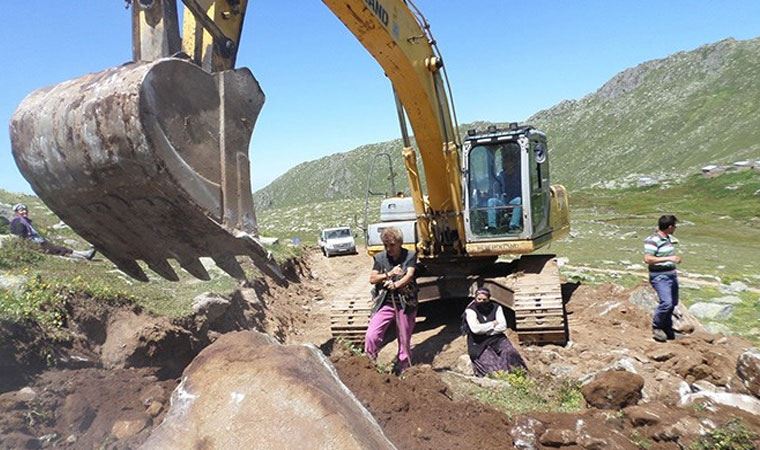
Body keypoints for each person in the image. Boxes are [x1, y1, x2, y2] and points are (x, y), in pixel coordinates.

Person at [364, 227, 418, 373]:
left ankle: (403, 367)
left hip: (405, 303)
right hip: (385, 302)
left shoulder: (410, 255)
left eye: (392, 245)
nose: (389, 248)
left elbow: (409, 275)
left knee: (404, 337)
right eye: (386, 245)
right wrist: (388, 274)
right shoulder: (381, 258)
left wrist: (396, 284)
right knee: (372, 335)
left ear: (400, 243)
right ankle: (369, 363)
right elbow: (372, 278)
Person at [462, 287, 526, 377]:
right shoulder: (470, 311)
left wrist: (487, 332)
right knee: (495, 370)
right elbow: (476, 329)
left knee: (511, 353)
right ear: (475, 298)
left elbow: (503, 326)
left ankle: (520, 375)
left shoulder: (496, 307)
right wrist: (492, 324)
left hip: (497, 339)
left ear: (489, 299)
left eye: (484, 299)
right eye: (479, 299)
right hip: (478, 343)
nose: (481, 301)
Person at [9, 203, 96, 260]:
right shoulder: (18, 222)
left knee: (58, 248)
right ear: (17, 212)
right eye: (21, 210)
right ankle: (84, 256)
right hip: (34, 244)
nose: (24, 212)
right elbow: (20, 237)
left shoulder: (24, 221)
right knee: (58, 250)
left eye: (25, 210)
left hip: (38, 242)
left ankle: (84, 255)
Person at [644, 215, 681, 342]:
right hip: (660, 276)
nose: (675, 228)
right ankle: (657, 327)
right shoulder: (653, 240)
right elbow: (648, 259)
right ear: (670, 227)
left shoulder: (667, 238)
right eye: (674, 226)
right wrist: (669, 258)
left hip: (671, 274)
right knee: (666, 303)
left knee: (673, 303)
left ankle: (667, 328)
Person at [486, 152, 522, 231]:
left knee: (518, 200)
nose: (504, 164)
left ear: (512, 163)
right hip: (503, 201)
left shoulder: (519, 176)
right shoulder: (501, 175)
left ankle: (514, 225)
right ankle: (492, 226)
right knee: (491, 201)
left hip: (514, 200)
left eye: (506, 162)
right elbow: (495, 187)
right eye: (504, 162)